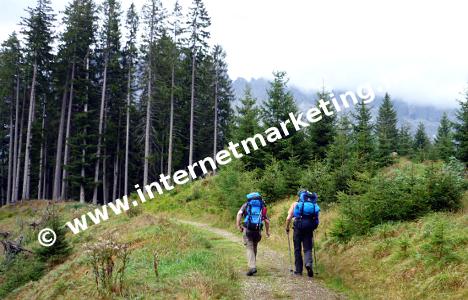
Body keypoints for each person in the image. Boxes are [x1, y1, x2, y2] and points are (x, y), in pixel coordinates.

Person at [285, 190, 320, 277]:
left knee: (297, 248)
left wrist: (287, 228)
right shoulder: (313, 204)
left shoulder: (295, 204)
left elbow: (288, 218)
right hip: (309, 228)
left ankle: (298, 270)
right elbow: (316, 218)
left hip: (298, 228)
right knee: (308, 248)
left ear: (299, 196)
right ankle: (308, 263)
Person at [236, 192, 270, 276]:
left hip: (248, 229)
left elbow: (239, 213)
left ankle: (252, 267)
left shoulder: (246, 205)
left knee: (249, 247)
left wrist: (238, 225)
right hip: (257, 230)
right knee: (254, 246)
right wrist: (267, 231)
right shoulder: (262, 206)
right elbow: (266, 221)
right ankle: (253, 264)